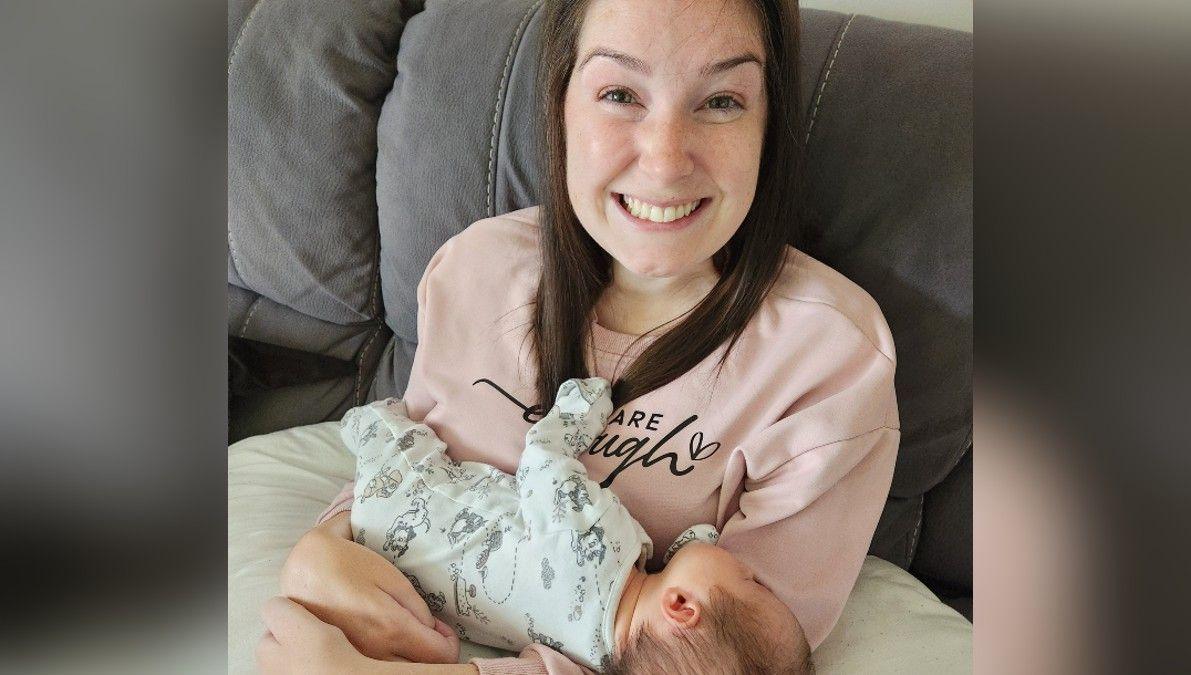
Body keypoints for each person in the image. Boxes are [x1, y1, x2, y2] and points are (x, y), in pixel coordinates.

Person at [258, 0, 899, 673]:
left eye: (720, 101)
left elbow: (719, 661)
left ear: (769, 121)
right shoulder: (474, 271)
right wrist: (325, 547)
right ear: (562, 102)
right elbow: (414, 459)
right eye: (620, 93)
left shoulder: (828, 361)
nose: (664, 160)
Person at [341, 378, 811, 673]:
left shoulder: (599, 547)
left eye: (751, 580)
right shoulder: (596, 658)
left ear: (682, 606)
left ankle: (364, 423)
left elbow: (543, 462)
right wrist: (698, 546)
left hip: (403, 502)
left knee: (390, 433)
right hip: (397, 570)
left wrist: (577, 410)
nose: (742, 563)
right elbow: (689, 560)